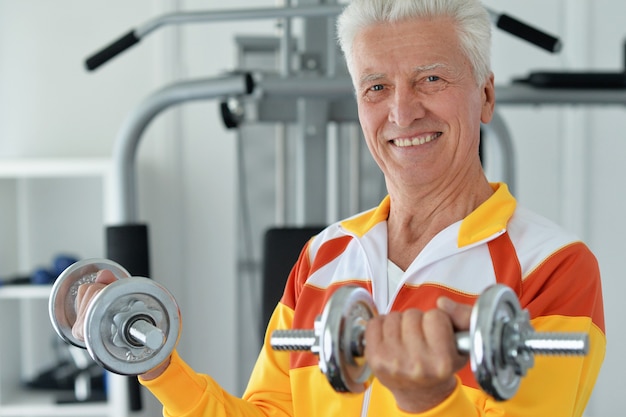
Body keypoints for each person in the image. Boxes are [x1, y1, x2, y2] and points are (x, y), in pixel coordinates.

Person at [73, 0, 606, 415]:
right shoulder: (324, 256)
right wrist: (159, 366)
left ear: (485, 95)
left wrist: (430, 399)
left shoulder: (553, 266)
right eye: (377, 87)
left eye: (431, 79)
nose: (402, 111)